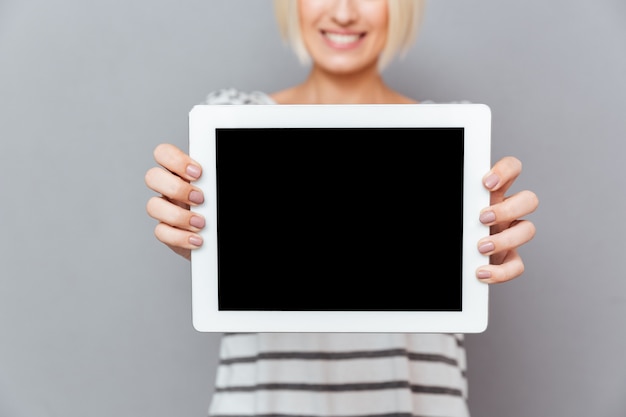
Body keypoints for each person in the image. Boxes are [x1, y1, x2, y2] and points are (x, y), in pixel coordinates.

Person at [144, 1, 539, 416]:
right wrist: (196, 235)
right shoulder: (234, 116)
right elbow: (217, 244)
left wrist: (489, 245)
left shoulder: (448, 130)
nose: (344, 13)